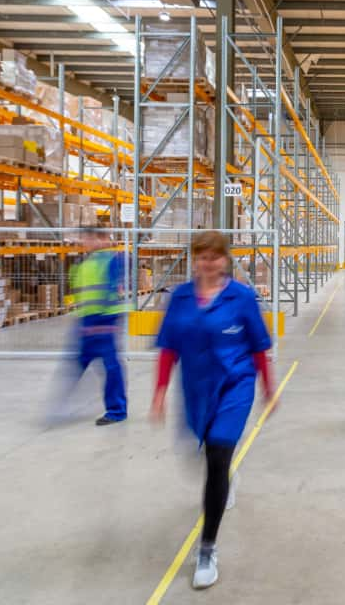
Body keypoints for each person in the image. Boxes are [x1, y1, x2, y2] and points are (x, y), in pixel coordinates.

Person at [150, 230, 274, 590]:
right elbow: (169, 347)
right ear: (195, 260)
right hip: (196, 389)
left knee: (219, 454)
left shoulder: (242, 297)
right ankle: (225, 477)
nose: (208, 262)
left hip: (235, 386)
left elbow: (258, 346)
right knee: (202, 456)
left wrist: (267, 386)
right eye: (202, 256)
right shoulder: (181, 298)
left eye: (215, 256)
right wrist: (159, 391)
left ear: (225, 260)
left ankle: (207, 548)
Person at [66, 228, 128, 425]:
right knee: (78, 364)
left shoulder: (110, 260)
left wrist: (106, 322)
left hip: (104, 321)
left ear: (102, 239)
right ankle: (59, 406)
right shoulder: (83, 264)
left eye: (90, 238)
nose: (86, 242)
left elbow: (113, 290)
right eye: (84, 238)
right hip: (86, 321)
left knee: (111, 366)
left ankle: (116, 411)